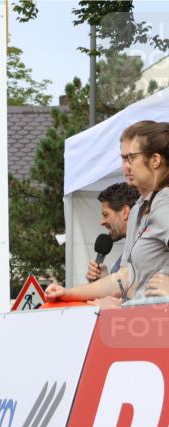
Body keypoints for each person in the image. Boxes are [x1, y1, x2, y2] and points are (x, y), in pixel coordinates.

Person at [47, 122, 169, 304]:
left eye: (132, 157)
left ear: (155, 160)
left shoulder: (165, 201)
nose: (127, 166)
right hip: (146, 324)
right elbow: (125, 277)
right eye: (124, 158)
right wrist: (69, 293)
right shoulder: (139, 209)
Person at [86, 182, 141, 281]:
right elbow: (122, 292)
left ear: (125, 212)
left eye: (106, 214)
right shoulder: (129, 248)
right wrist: (105, 279)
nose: (102, 222)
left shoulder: (146, 247)